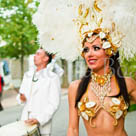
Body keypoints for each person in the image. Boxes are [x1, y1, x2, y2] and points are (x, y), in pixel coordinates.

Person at [66, 1, 136, 136]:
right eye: (86, 50)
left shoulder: (127, 83)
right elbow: (73, 129)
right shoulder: (76, 87)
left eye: (96, 48)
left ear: (109, 52)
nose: (89, 54)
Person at [17, 48, 61, 136]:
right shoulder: (27, 75)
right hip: (25, 121)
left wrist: (39, 119)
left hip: (41, 123)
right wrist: (21, 98)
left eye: (38, 54)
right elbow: (20, 96)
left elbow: (54, 103)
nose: (34, 56)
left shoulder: (53, 78)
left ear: (46, 58)